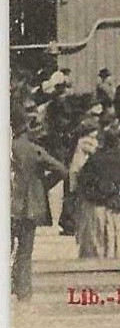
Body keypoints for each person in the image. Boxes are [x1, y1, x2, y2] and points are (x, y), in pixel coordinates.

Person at [11, 117, 67, 300]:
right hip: (29, 208)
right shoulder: (34, 150)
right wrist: (43, 186)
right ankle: (23, 292)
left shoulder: (9, 148)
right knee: (25, 252)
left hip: (10, 205)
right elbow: (61, 170)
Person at [75, 123, 120, 258]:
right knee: (118, 248)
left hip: (99, 209)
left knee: (97, 249)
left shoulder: (95, 158)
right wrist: (118, 195)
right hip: (118, 209)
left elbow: (83, 181)